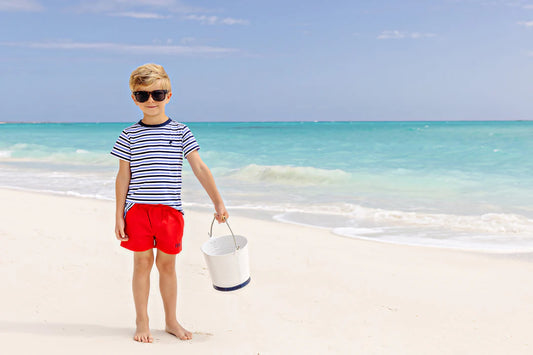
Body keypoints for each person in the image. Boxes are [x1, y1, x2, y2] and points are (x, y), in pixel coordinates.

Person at [111, 63, 228, 343]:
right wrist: (118, 215)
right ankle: (142, 320)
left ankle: (171, 320)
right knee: (141, 264)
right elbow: (123, 175)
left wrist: (218, 202)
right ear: (134, 98)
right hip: (138, 211)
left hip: (169, 213)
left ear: (169, 95)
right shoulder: (129, 135)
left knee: (167, 267)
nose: (151, 101)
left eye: (157, 94)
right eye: (143, 96)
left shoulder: (181, 132)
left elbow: (200, 168)